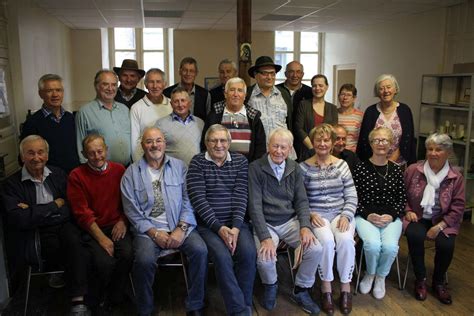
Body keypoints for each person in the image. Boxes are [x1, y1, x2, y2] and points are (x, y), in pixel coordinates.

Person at [121, 127, 208, 316]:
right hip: (148, 231)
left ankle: (195, 304)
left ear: (165, 143)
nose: (154, 145)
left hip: (180, 225)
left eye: (158, 140)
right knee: (143, 261)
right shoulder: (131, 173)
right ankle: (145, 309)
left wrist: (181, 228)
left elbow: (189, 200)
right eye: (149, 141)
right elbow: (132, 211)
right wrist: (154, 233)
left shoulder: (180, 167)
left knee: (200, 251)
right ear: (142, 145)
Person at [1, 135, 90, 315]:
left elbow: (71, 205)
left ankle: (78, 299)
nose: (36, 158)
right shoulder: (11, 184)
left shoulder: (58, 174)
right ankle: (59, 280)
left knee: (75, 242)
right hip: (35, 231)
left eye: (40, 152)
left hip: (62, 224)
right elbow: (19, 219)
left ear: (47, 155)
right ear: (22, 157)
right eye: (30, 153)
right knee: (53, 246)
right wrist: (53, 206)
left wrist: (34, 211)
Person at [248, 128, 322, 314]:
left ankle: (301, 288)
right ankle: (271, 285)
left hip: (290, 221)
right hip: (266, 223)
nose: (278, 151)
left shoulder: (295, 168)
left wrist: (305, 227)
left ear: (290, 149)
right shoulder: (256, 168)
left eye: (283, 147)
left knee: (315, 248)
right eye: (275, 146)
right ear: (268, 146)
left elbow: (301, 201)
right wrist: (265, 237)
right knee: (265, 258)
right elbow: (254, 206)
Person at [187, 124, 256, 316]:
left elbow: (241, 194)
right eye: (213, 140)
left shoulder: (241, 161)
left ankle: (244, 302)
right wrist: (220, 229)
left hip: (237, 223)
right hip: (209, 226)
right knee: (222, 257)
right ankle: (240, 311)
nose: (219, 145)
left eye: (223, 140)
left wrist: (234, 228)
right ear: (206, 143)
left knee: (249, 253)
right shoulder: (197, 162)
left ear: (229, 142)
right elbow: (198, 200)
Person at [67, 134, 133, 311]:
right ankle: (98, 300)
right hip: (93, 228)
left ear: (106, 150)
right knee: (104, 262)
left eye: (100, 151)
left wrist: (123, 221)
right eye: (91, 153)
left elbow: (129, 201)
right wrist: (102, 239)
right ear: (83, 154)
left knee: (127, 254)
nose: (97, 156)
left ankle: (116, 297)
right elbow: (82, 213)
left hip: (117, 224)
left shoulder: (119, 170)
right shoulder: (76, 175)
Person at [299, 123, 357, 315]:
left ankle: (346, 289)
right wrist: (309, 214)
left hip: (341, 214)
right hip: (317, 215)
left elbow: (351, 194)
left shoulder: (342, 165)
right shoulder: (304, 168)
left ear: (332, 143)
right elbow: (299, 198)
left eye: (326, 140)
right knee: (325, 241)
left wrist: (347, 215)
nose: (322, 143)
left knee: (346, 240)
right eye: (318, 140)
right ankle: (326, 289)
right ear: (313, 143)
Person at [404, 133, 464, 305]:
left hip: (444, 220)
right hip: (418, 216)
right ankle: (420, 279)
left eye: (438, 149)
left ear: (448, 152)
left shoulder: (455, 177)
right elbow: (402, 195)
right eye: (430, 149)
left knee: (446, 244)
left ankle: (438, 282)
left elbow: (458, 207)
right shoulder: (413, 170)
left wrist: (440, 226)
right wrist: (408, 210)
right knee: (415, 236)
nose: (433, 153)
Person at [353, 127, 407, 299]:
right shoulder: (360, 168)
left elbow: (401, 199)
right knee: (373, 245)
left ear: (391, 144)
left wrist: (391, 215)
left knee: (391, 247)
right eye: (377, 140)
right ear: (370, 144)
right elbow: (354, 198)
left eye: (384, 140)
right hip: (365, 216)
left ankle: (381, 277)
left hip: (391, 217)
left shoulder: (397, 170)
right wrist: (368, 214)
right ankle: (370, 274)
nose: (381, 143)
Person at [20, 74, 80, 173]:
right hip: (50, 179)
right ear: (40, 94)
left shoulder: (70, 118)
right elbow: (24, 157)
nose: (55, 94)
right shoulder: (32, 123)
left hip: (73, 175)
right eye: (49, 91)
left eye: (58, 90)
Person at [357, 74, 416, 166]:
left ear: (395, 89)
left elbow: (409, 139)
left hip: (398, 164)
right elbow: (364, 140)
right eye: (381, 88)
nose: (386, 91)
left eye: (389, 87)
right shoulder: (370, 111)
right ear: (377, 92)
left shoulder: (405, 110)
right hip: (374, 164)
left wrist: (391, 161)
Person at [75, 69, 131, 166]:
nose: (110, 88)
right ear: (96, 86)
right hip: (101, 172)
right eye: (105, 84)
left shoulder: (124, 109)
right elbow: (81, 146)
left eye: (114, 85)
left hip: (127, 169)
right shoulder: (84, 112)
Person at [203, 77, 266, 162]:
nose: (235, 94)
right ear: (225, 94)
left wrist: (253, 170)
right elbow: (205, 144)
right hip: (218, 168)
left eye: (240, 90)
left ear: (244, 96)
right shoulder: (214, 115)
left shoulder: (253, 117)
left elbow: (260, 149)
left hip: (247, 169)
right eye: (232, 90)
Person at [246, 56, 295, 159]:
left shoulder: (284, 94)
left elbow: (290, 123)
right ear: (255, 75)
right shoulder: (247, 95)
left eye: (272, 73)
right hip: (259, 155)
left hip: (284, 153)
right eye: (265, 73)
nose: (269, 77)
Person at [130, 68, 172, 161]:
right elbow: (135, 143)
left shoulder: (172, 104)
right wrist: (139, 165)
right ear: (145, 85)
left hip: (169, 161)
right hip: (146, 161)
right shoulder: (136, 108)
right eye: (151, 82)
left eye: (158, 82)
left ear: (164, 84)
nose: (155, 86)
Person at [294, 74, 338, 161]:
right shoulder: (303, 105)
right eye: (314, 86)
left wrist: (324, 147)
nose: (317, 88)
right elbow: (298, 128)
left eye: (321, 85)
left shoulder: (332, 108)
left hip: (326, 152)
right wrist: (313, 148)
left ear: (327, 87)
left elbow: (333, 131)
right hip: (307, 151)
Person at [156, 87, 204, 165]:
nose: (180, 104)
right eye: (176, 101)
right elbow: (156, 150)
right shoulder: (160, 124)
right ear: (171, 104)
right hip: (172, 172)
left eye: (183, 100)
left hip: (196, 171)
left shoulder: (200, 123)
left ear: (189, 103)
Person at [163, 57, 211, 121]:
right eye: (185, 70)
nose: (188, 74)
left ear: (196, 73)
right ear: (180, 71)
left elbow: (208, 118)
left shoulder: (205, 94)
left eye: (191, 71)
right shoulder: (167, 93)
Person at [337, 84, 363, 152]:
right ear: (338, 96)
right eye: (342, 94)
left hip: (353, 155)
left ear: (354, 98)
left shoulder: (360, 116)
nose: (345, 97)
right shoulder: (333, 114)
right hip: (334, 154)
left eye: (348, 95)